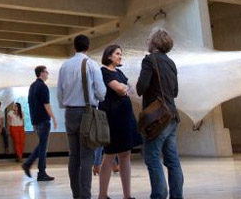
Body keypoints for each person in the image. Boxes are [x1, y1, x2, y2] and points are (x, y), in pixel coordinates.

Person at [136, 28, 184, 199]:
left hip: (157, 118)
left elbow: (141, 87)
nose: (147, 41)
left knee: (152, 157)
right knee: (172, 160)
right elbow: (175, 91)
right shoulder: (171, 63)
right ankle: (177, 196)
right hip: (172, 115)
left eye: (149, 38)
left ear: (154, 42)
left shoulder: (149, 60)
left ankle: (159, 195)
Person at [58, 34, 106, 199]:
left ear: (74, 47)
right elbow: (101, 93)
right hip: (87, 113)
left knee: (74, 155)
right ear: (88, 47)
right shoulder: (91, 65)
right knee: (87, 156)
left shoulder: (64, 66)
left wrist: (67, 104)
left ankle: (76, 194)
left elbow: (60, 94)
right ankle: (85, 195)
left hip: (69, 112)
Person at [98, 44, 142, 199]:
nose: (120, 56)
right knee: (109, 155)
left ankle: (127, 195)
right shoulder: (104, 71)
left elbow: (131, 89)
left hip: (125, 117)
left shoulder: (119, 72)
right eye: (117, 54)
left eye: (120, 54)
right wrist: (124, 88)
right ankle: (102, 195)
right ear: (109, 56)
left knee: (126, 154)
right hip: (113, 118)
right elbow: (121, 89)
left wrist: (125, 88)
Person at [23, 64, 57, 181]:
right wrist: (53, 117)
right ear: (41, 73)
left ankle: (30, 165)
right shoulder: (43, 86)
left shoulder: (32, 86)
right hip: (43, 120)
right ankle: (40, 172)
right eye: (46, 72)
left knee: (42, 145)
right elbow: (46, 104)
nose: (48, 74)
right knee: (43, 147)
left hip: (35, 120)